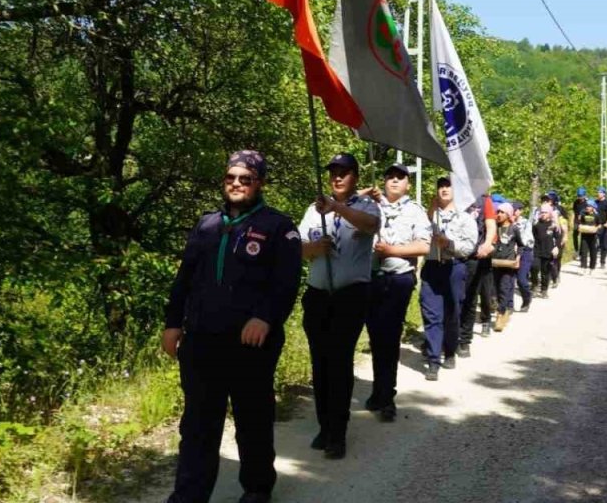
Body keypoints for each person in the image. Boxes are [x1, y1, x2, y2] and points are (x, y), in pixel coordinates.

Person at [162, 150, 302, 503]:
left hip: (251, 344)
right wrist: (172, 323)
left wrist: (265, 317)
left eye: (246, 178)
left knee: (252, 419)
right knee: (197, 424)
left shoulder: (278, 227)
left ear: (260, 183)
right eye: (230, 178)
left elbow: (286, 284)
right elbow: (184, 279)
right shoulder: (206, 224)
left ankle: (257, 487)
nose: (236, 184)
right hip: (202, 342)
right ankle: (189, 495)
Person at [298, 152, 381, 460]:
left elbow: (371, 226)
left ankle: (339, 433)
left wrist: (337, 208)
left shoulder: (365, 206)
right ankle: (324, 425)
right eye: (333, 171)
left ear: (355, 177)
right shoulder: (312, 210)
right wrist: (312, 248)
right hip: (318, 295)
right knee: (320, 364)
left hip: (350, 295)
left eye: (344, 172)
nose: (337, 177)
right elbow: (295, 248)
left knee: (339, 362)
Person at [364, 163, 430, 421]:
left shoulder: (415, 211)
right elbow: (342, 208)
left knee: (389, 337)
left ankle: (387, 396)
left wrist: (393, 251)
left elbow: (424, 245)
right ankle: (378, 389)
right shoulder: (371, 206)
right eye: (389, 176)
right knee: (375, 335)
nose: (393, 181)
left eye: (399, 177)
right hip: (370, 279)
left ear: (408, 184)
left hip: (398, 279)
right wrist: (364, 194)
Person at [421, 176, 477, 380]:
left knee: (452, 311)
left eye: (448, 186)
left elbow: (470, 246)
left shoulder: (464, 217)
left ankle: (450, 350)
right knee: (431, 313)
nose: (444, 189)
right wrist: (429, 212)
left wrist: (449, 244)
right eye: (441, 186)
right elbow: (419, 234)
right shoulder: (428, 215)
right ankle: (433, 359)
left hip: (454, 267)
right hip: (432, 267)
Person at [458, 192, 497, 354]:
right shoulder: (453, 194)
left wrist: (487, 243)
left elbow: (491, 225)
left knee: (470, 297)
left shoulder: (484, 200)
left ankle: (464, 339)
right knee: (450, 297)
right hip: (453, 253)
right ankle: (444, 336)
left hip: (475, 255)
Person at [490, 202, 524, 331]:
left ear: (508, 214)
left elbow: (521, 245)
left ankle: (500, 316)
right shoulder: (494, 227)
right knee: (493, 291)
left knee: (504, 290)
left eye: (502, 212)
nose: (499, 214)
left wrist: (518, 258)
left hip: (508, 264)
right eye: (498, 212)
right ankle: (500, 310)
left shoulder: (514, 229)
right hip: (494, 263)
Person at [531, 203, 562, 299]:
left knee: (545, 272)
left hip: (548, 252)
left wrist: (556, 247)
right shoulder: (536, 225)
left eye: (545, 212)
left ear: (549, 213)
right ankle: (534, 286)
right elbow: (532, 237)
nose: (543, 214)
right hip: (537, 250)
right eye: (541, 212)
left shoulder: (553, 225)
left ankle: (544, 290)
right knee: (534, 268)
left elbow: (558, 238)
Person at [512, 201, 535, 313]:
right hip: (510, 252)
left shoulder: (526, 223)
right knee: (509, 280)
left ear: (520, 211)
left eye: (515, 209)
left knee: (521, 280)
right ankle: (508, 306)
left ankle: (526, 298)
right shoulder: (508, 222)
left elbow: (525, 239)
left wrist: (518, 245)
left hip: (525, 252)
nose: (513, 212)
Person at [576, 199, 600, 273]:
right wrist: (580, 227)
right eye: (587, 206)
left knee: (593, 252)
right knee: (584, 251)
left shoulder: (596, 215)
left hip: (593, 236)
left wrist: (596, 228)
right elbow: (580, 223)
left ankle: (592, 267)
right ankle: (583, 267)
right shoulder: (583, 214)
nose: (587, 208)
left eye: (589, 206)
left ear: (593, 207)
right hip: (584, 235)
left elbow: (599, 224)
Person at [595, 187, 607, 269]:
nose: (598, 193)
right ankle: (594, 260)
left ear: (604, 194)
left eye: (600, 192)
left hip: (604, 226)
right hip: (596, 225)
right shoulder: (595, 202)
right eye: (597, 192)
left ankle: (602, 262)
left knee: (604, 245)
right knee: (594, 244)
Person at [571, 187, 587, 262]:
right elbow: (574, 212)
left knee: (583, 237)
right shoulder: (576, 202)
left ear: (584, 195)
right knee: (574, 235)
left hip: (584, 221)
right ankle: (576, 250)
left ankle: (581, 253)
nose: (579, 197)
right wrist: (572, 221)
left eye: (581, 196)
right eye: (578, 196)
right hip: (577, 221)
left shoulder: (587, 203)